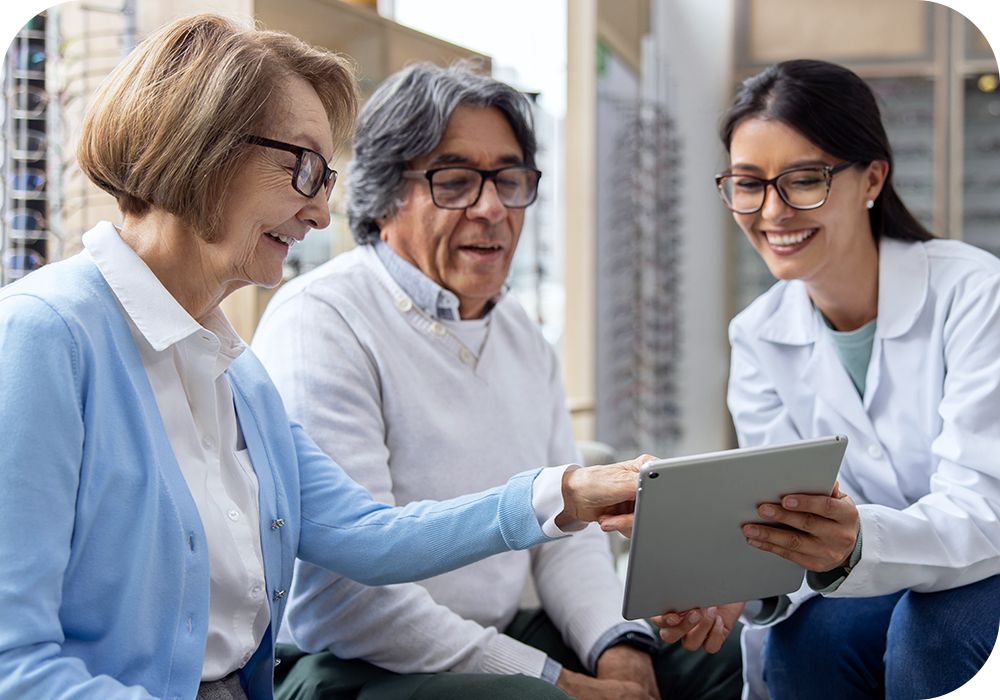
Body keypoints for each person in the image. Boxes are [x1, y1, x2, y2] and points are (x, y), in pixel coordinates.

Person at [0, 15, 648, 700]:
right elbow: (15, 666)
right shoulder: (45, 338)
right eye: (304, 168)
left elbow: (374, 538)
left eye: (326, 178)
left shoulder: (235, 373)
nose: (319, 214)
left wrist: (569, 494)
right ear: (202, 146)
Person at [251, 62, 743, 700]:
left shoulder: (520, 333)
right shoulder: (323, 320)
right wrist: (559, 681)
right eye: (455, 181)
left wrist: (618, 650)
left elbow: (570, 539)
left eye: (509, 180)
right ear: (384, 196)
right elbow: (350, 600)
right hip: (351, 660)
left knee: (719, 654)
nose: (491, 208)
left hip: (496, 630)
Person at [654, 59, 1000, 700]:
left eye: (804, 180)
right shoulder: (757, 335)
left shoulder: (976, 294)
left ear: (872, 177)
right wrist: (736, 581)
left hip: (988, 563)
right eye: (748, 185)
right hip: (874, 572)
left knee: (934, 633)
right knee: (805, 645)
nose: (772, 212)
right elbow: (777, 508)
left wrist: (857, 539)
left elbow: (986, 510)